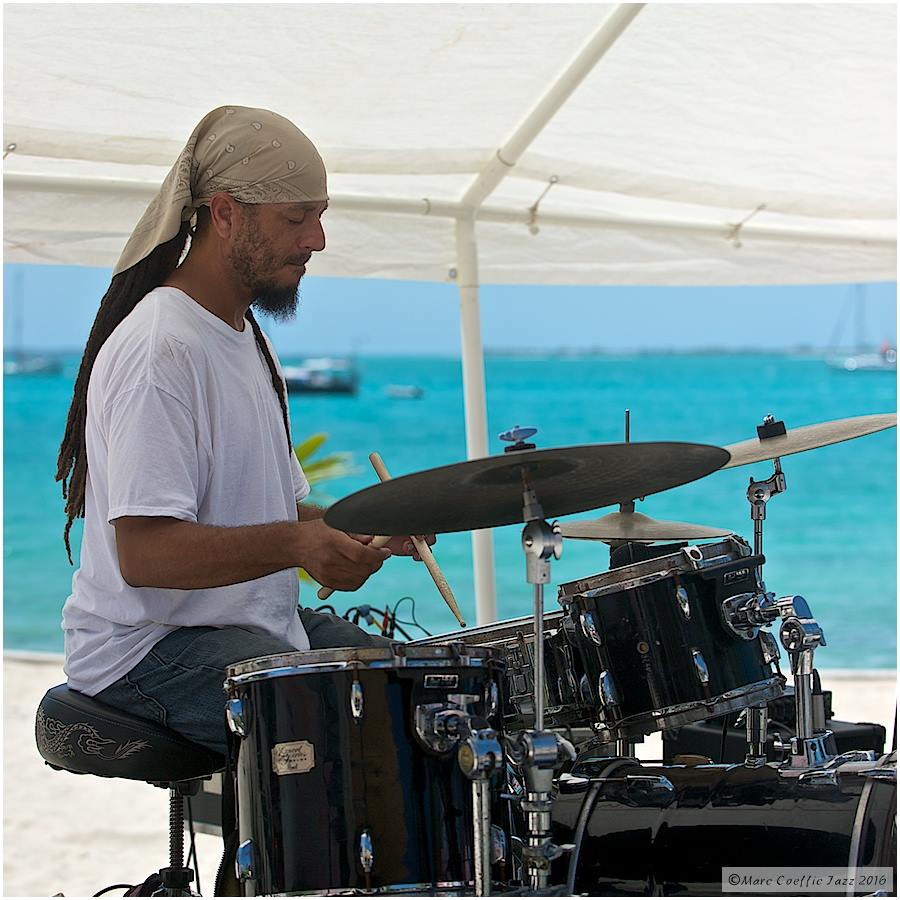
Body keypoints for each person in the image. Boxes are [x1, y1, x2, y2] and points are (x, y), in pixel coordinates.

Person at [57, 105, 431, 756]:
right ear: (225, 213)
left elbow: (268, 513)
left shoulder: (246, 338)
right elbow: (145, 556)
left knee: (426, 693)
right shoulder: (161, 348)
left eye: (320, 215)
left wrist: (361, 524)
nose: (317, 239)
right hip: (147, 647)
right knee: (353, 733)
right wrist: (300, 543)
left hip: (243, 622)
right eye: (296, 217)